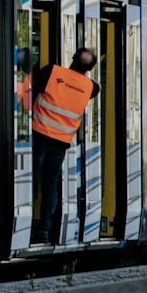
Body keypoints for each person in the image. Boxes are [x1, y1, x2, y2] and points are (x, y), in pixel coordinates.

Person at [30, 48, 99, 245]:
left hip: (38, 136)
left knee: (31, 181)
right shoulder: (91, 87)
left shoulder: (52, 71)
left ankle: (24, 223)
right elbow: (91, 87)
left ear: (73, 58)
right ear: (91, 68)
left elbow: (31, 89)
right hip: (60, 144)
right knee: (50, 186)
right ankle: (44, 230)